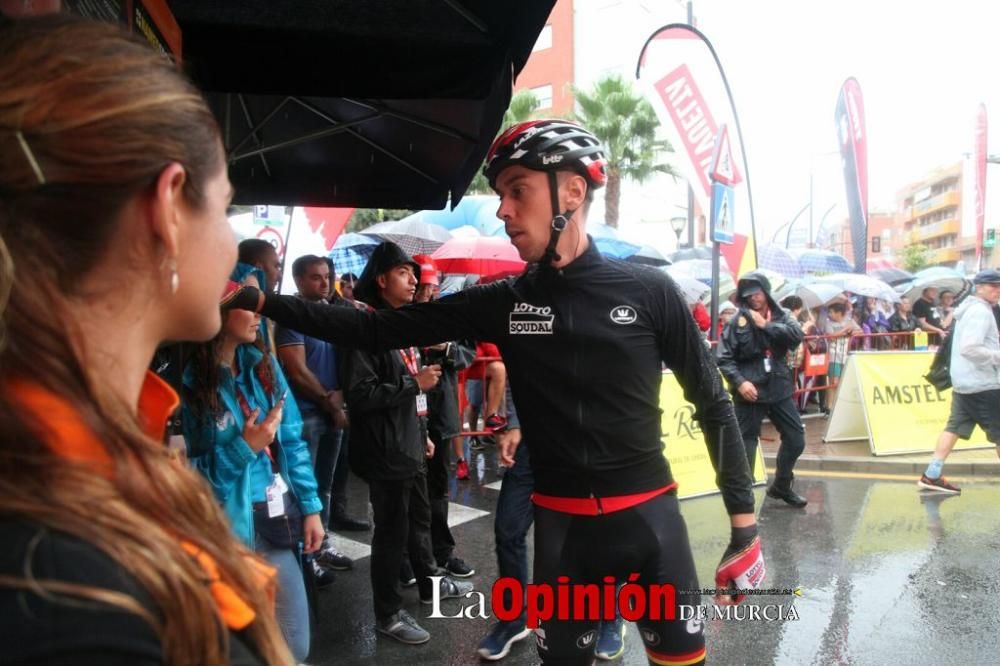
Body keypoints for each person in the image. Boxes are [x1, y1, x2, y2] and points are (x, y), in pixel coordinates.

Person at [228, 119, 763, 665]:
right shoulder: (503, 300)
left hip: (652, 526)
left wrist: (744, 529)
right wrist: (259, 299)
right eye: (501, 193)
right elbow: (370, 330)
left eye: (517, 190)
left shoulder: (650, 291)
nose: (503, 209)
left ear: (572, 191)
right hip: (562, 533)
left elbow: (712, 400)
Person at [0, 13, 290, 664]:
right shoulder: (75, 604)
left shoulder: (75, 475)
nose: (230, 247)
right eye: (223, 207)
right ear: (167, 208)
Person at [183, 274, 325, 662]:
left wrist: (311, 508)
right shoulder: (188, 385)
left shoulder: (264, 367)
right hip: (222, 536)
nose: (257, 315)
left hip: (274, 522)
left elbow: (293, 440)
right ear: (219, 311)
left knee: (296, 645)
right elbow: (190, 480)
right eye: (246, 304)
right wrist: (244, 448)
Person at [342, 242, 473, 645]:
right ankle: (388, 613)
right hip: (385, 452)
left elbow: (414, 392)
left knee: (420, 520)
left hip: (411, 446)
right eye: (404, 273)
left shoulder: (402, 324)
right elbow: (360, 394)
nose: (414, 280)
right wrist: (413, 383)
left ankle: (432, 583)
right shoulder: (364, 327)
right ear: (381, 280)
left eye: (414, 274)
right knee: (391, 534)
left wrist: (422, 435)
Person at [274, 255, 354, 574]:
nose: (323, 283)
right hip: (306, 415)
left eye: (326, 276)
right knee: (301, 487)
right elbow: (296, 369)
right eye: (315, 277)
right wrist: (328, 400)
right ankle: (303, 555)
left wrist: (341, 398)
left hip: (333, 412)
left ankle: (322, 543)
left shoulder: (331, 314)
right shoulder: (293, 318)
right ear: (298, 281)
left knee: (325, 484)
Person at [412, 253, 477, 577]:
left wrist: (446, 348)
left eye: (428, 286)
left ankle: (443, 551)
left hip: (441, 414)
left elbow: (468, 354)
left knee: (438, 487)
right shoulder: (399, 316)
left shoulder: (449, 314)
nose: (424, 292)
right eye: (420, 285)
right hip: (407, 417)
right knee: (412, 490)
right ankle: (416, 557)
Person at [719, 274, 808, 507]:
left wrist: (766, 325)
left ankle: (782, 485)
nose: (753, 299)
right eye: (748, 296)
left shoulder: (783, 315)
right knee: (746, 444)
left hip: (778, 386)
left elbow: (796, 337)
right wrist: (740, 382)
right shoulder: (736, 322)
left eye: (757, 294)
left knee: (796, 439)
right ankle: (743, 499)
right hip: (750, 390)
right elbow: (724, 358)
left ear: (766, 293)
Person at [917, 270, 1000, 494]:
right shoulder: (981, 312)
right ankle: (931, 475)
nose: (998, 290)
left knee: (953, 427)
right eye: (993, 286)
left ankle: (932, 474)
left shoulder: (968, 310)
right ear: (979, 287)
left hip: (964, 382)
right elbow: (970, 348)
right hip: (984, 383)